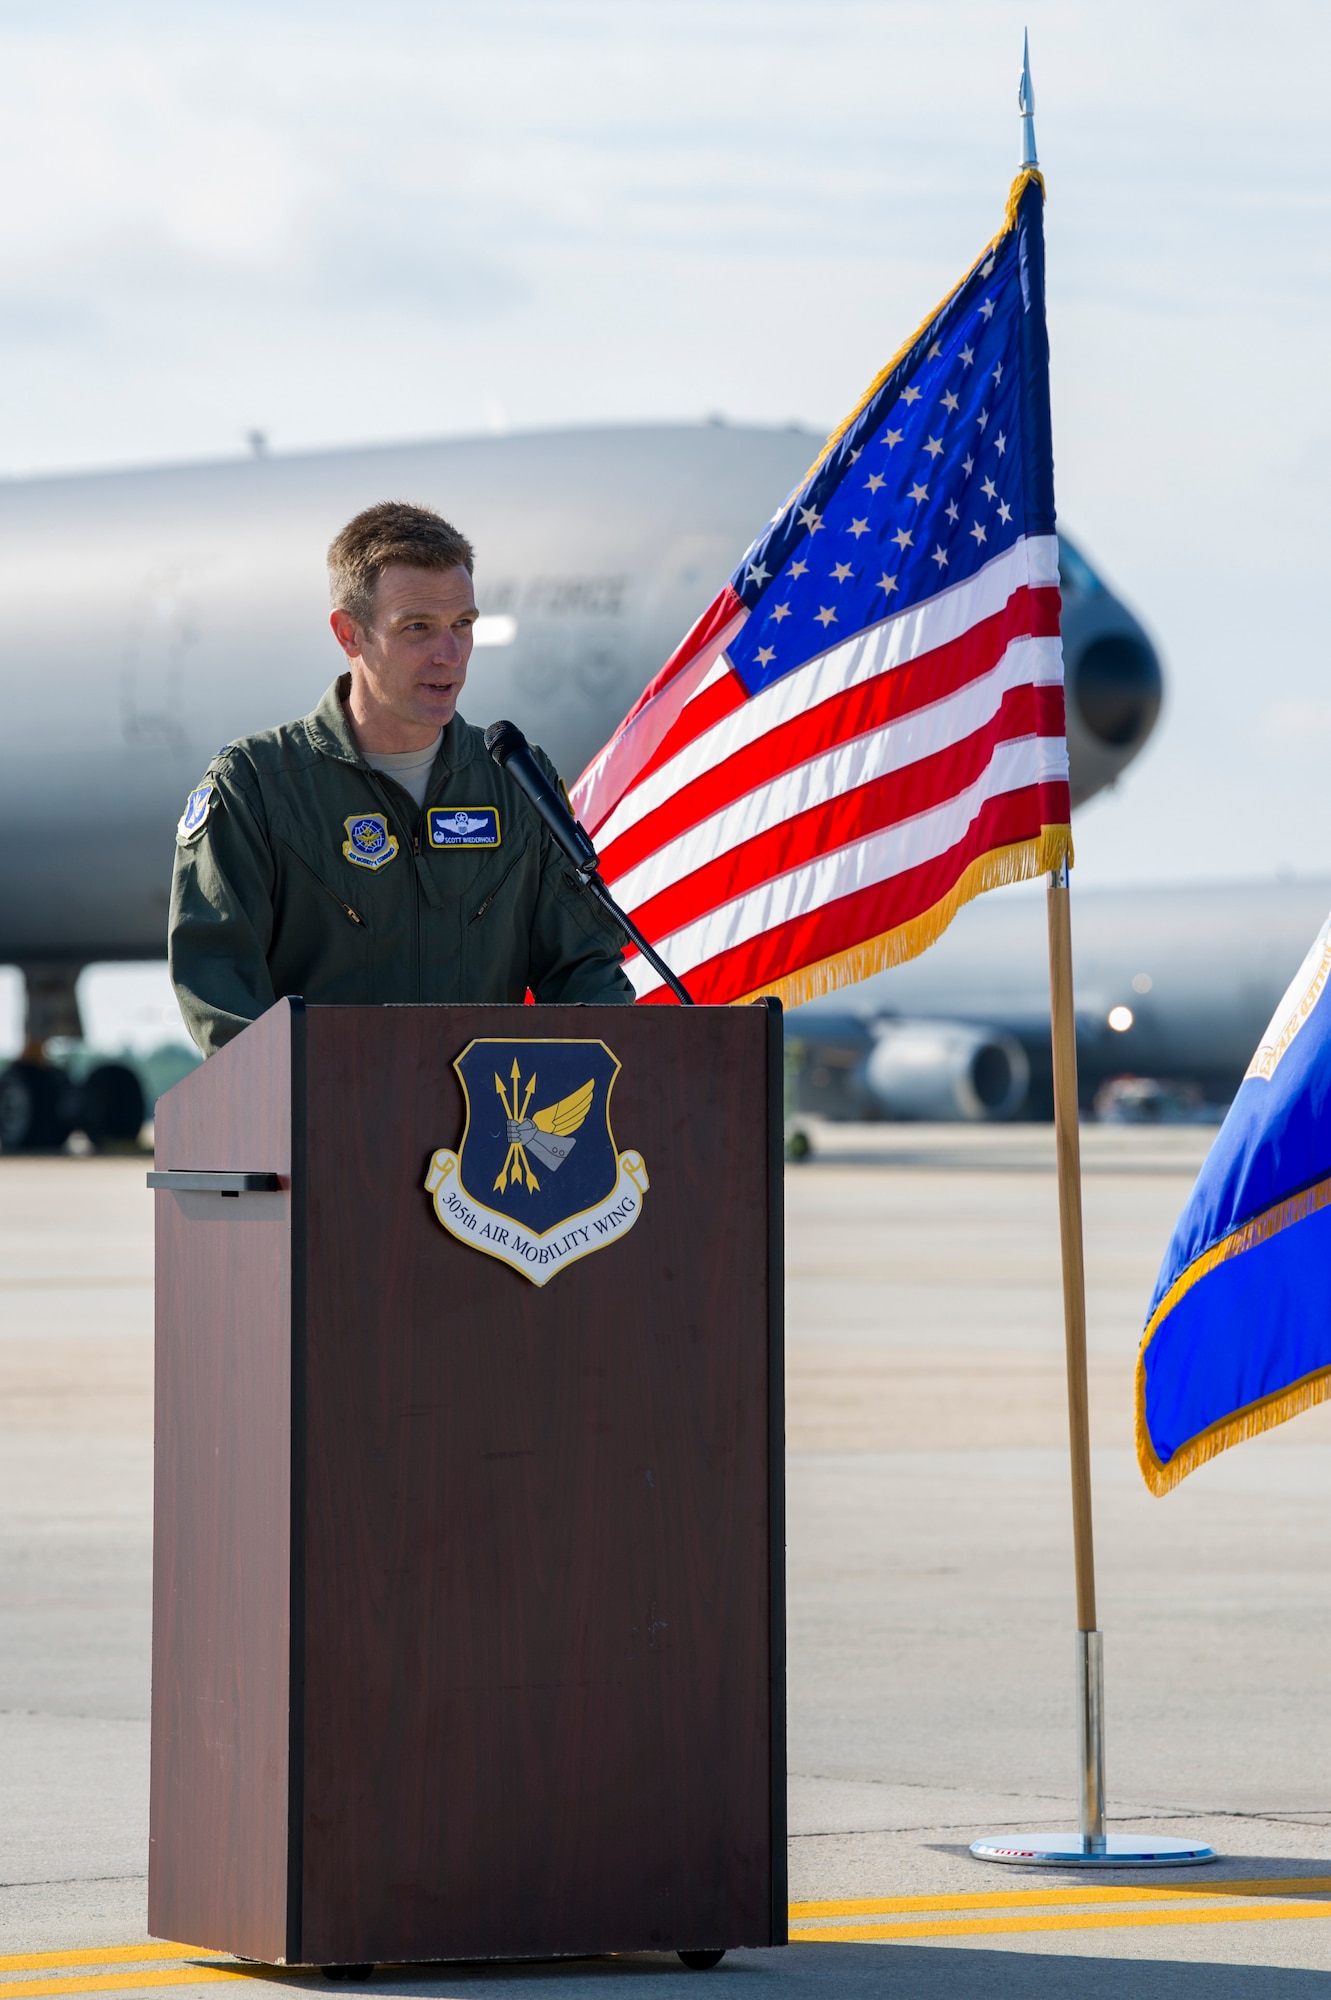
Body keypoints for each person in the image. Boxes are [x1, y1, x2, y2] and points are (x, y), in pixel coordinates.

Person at [169, 501, 633, 1054]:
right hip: (326, 1128)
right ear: (350, 634)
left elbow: (583, 971)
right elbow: (221, 994)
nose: (450, 655)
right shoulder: (255, 789)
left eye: (463, 625)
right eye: (418, 628)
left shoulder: (515, 781)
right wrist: (297, 1108)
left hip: (495, 1128)